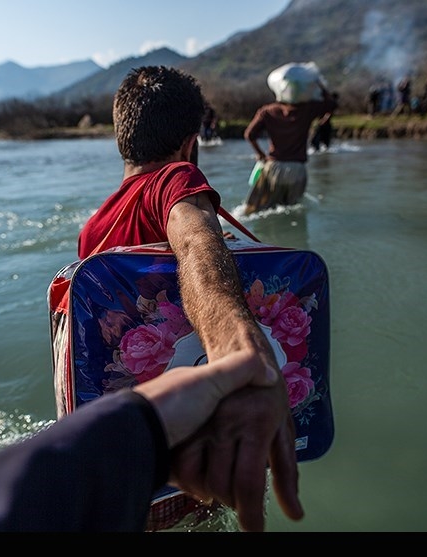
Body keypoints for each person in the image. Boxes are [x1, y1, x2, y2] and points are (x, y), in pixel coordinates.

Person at [76, 66, 299, 531]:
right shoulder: (176, 177)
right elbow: (197, 240)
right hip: (193, 432)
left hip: (132, 446)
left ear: (123, 139)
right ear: (189, 142)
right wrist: (238, 348)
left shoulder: (94, 228)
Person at [0, 350, 303, 532]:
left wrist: (130, 427)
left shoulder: (98, 224)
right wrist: (242, 340)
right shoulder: (179, 184)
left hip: (112, 441)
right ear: (188, 149)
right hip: (162, 447)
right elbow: (193, 232)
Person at [243, 81, 338, 214]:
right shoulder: (307, 109)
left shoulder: (268, 111)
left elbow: (249, 134)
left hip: (274, 167)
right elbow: (332, 104)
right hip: (297, 169)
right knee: (291, 209)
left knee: (259, 208)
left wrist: (260, 154)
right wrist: (318, 84)